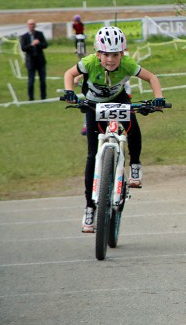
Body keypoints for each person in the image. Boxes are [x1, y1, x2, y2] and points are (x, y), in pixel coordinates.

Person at [63, 26, 166, 233]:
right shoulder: (89, 62)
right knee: (92, 155)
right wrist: (69, 92)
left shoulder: (127, 64)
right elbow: (69, 73)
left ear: (122, 53)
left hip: (118, 100)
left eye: (116, 55)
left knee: (133, 128)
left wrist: (158, 97)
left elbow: (152, 78)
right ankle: (90, 207)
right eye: (106, 55)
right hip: (94, 105)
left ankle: (135, 164)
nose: (111, 60)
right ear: (98, 53)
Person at [20, 19, 48, 100]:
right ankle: (31, 98)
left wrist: (38, 43)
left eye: (33, 24)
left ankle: (43, 97)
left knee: (42, 80)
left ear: (35, 25)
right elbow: (23, 48)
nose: (31, 26)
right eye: (30, 24)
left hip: (40, 61)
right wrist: (32, 44)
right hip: (31, 62)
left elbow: (45, 45)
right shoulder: (24, 36)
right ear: (27, 25)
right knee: (31, 81)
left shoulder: (40, 34)